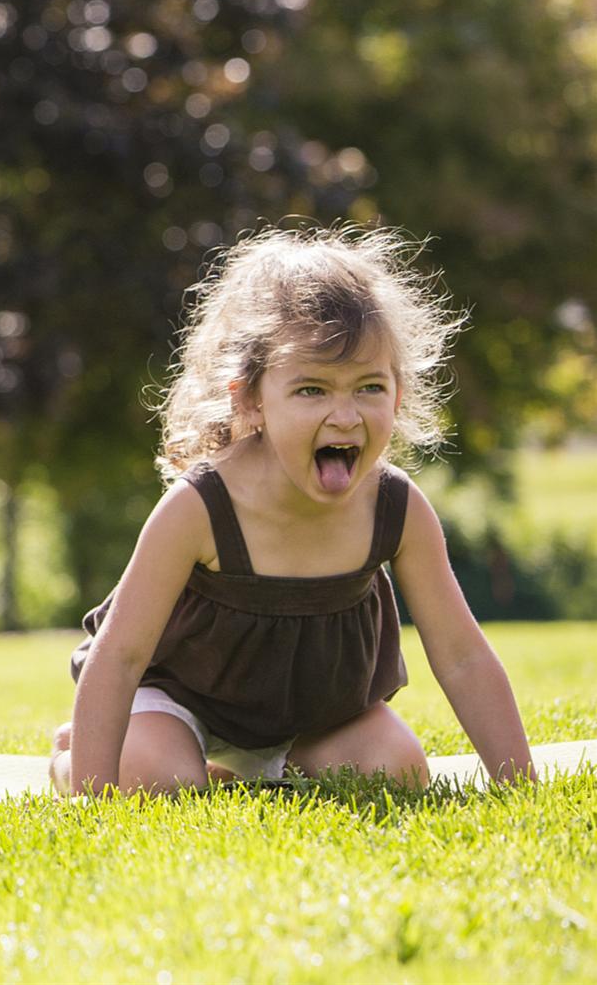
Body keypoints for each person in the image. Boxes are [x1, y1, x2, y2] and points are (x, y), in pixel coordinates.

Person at [54, 226, 533, 795]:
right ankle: (73, 757)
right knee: (155, 781)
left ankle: (264, 768)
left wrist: (519, 783)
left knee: (395, 774)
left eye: (369, 388)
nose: (346, 416)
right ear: (250, 399)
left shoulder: (396, 508)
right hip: (178, 700)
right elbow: (120, 658)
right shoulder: (201, 507)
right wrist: (90, 789)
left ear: (398, 393)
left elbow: (461, 657)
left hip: (313, 714)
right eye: (312, 390)